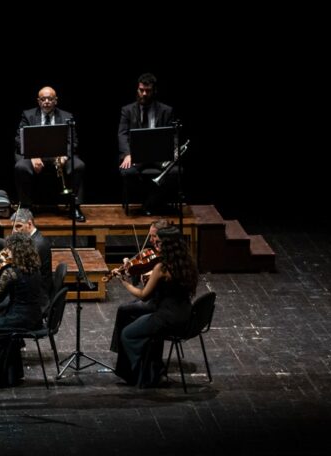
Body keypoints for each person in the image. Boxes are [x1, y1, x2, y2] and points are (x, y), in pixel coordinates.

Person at [113, 225, 198, 388]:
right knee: (135, 321)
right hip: (186, 315)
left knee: (127, 334)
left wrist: (123, 282)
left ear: (168, 245)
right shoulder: (187, 262)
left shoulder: (161, 268)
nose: (155, 246)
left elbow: (143, 295)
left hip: (166, 318)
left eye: (158, 243)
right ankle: (152, 367)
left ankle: (145, 373)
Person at [14, 86, 86, 222]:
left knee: (78, 166)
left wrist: (64, 155)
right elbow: (20, 139)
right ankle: (25, 207)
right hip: (34, 156)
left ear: (55, 100)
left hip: (59, 155)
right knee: (21, 167)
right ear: (38, 101)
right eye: (43, 99)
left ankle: (74, 206)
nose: (46, 101)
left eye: (50, 99)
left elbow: (73, 141)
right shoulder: (28, 115)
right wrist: (32, 155)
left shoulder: (67, 116)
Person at [0, 233, 48, 387]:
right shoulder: (35, 268)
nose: (6, 251)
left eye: (9, 248)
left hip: (19, 318)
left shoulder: (11, 272)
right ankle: (12, 375)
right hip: (35, 316)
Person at [109, 219, 171, 354]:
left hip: (161, 306)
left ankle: (124, 353)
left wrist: (123, 281)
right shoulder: (175, 257)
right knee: (127, 308)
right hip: (167, 303)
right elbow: (145, 273)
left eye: (154, 236)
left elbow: (144, 295)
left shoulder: (164, 264)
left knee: (124, 310)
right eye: (150, 236)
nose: (151, 240)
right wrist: (131, 267)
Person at [118, 73, 176, 216]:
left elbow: (173, 135)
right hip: (136, 155)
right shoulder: (127, 110)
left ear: (154, 90)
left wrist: (172, 151)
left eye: (148, 90)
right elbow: (122, 134)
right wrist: (127, 154)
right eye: (141, 90)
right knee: (127, 172)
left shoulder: (166, 110)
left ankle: (149, 204)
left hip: (160, 155)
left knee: (175, 172)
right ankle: (151, 203)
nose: (144, 94)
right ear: (137, 89)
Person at [9, 208, 53, 296]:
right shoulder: (32, 239)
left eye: (18, 226)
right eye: (13, 227)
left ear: (29, 224)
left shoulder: (36, 245)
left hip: (37, 293)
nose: (14, 231)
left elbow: (22, 270)